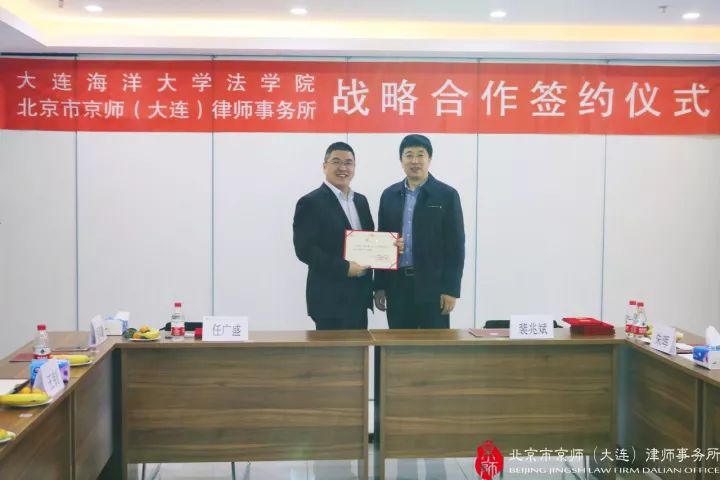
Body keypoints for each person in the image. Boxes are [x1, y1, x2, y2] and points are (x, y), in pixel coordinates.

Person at [374, 134, 465, 329]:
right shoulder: (389, 195)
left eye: (420, 155)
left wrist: (451, 289)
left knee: (433, 345)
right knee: (398, 344)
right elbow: (381, 241)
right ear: (401, 160)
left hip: (433, 288)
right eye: (409, 155)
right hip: (397, 287)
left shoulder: (447, 195)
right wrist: (379, 286)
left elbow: (456, 247)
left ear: (429, 158)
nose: (414, 161)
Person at [293, 141, 374, 330]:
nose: (343, 168)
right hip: (329, 300)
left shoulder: (361, 201)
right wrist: (344, 268)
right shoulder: (310, 202)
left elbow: (370, 242)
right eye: (336, 162)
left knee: (359, 349)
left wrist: (390, 248)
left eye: (348, 163)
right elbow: (305, 250)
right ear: (324, 166)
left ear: (354, 167)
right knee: (332, 350)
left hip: (359, 297)